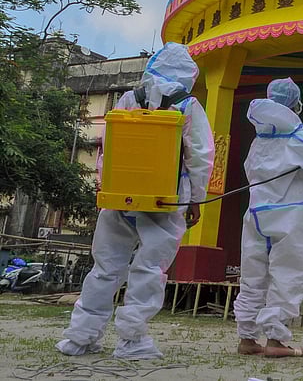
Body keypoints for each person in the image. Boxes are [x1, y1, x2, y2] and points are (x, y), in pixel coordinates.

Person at [57, 42, 214, 360]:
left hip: (120, 197)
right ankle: (131, 341)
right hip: (163, 201)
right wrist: (196, 198)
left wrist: (106, 188)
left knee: (104, 269)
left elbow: (108, 146)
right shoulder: (187, 105)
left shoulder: (130, 97)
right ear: (188, 74)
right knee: (149, 269)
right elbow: (200, 156)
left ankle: (80, 338)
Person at [234, 77, 303, 358]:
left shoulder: (260, 139)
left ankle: (247, 337)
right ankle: (276, 341)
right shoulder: (297, 138)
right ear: (295, 105)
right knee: (286, 275)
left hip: (256, 215)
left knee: (253, 275)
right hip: (289, 216)